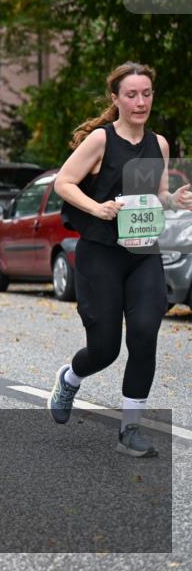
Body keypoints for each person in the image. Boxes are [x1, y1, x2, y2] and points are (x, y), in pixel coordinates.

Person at [48, 62, 192, 457]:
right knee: (105, 348)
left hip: (143, 252)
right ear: (116, 98)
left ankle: (130, 430)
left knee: (145, 334)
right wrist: (96, 209)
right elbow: (64, 181)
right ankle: (70, 378)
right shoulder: (101, 140)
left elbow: (154, 194)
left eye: (146, 93)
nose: (140, 101)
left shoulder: (158, 144)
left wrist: (173, 200)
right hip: (101, 254)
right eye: (131, 94)